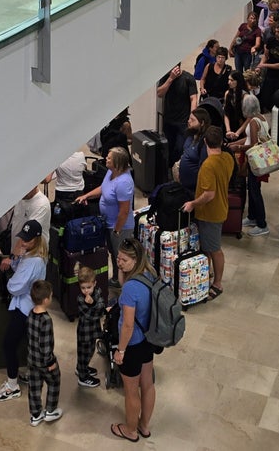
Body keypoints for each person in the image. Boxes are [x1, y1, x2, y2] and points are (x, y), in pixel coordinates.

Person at [0, 220, 49, 402]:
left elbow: (15, 287)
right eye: (22, 238)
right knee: (26, 343)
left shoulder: (34, 262)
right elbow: (20, 268)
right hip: (25, 307)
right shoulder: (32, 255)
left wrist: (10, 280)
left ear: (37, 239)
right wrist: (15, 259)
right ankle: (28, 374)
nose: (23, 242)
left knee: (9, 344)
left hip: (24, 310)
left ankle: (12, 385)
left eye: (27, 239)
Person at [181, 125, 235, 299]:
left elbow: (209, 194)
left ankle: (217, 283)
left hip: (210, 214)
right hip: (221, 208)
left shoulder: (208, 166)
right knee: (208, 248)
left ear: (205, 142)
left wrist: (193, 203)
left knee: (214, 249)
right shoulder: (227, 158)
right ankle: (207, 275)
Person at [110, 237, 156, 442]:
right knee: (147, 384)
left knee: (131, 391)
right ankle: (144, 426)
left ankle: (130, 430)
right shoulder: (149, 274)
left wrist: (120, 350)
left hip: (132, 344)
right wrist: (123, 270)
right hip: (148, 339)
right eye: (118, 258)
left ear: (135, 260)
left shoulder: (130, 290)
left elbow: (127, 325)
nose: (119, 263)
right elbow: (126, 283)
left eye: (123, 260)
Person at [75, 146, 135, 276]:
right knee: (113, 253)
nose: (105, 159)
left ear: (117, 163)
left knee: (121, 257)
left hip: (120, 227)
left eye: (109, 158)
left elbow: (124, 212)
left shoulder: (124, 183)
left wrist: (117, 231)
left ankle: (122, 282)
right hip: (108, 223)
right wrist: (87, 196)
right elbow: (103, 188)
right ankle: (115, 278)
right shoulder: (111, 172)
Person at [226, 93, 271, 237]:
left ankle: (262, 223)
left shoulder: (252, 122)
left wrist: (237, 148)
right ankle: (252, 216)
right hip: (259, 159)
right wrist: (234, 143)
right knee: (252, 189)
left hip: (254, 161)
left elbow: (252, 144)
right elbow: (249, 137)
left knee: (254, 190)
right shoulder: (261, 118)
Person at [23, 280, 62, 427]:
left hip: (32, 359)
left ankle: (36, 414)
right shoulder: (46, 320)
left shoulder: (30, 314)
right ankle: (50, 410)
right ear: (46, 300)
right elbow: (45, 345)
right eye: (51, 296)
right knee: (54, 381)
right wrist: (50, 362)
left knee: (34, 386)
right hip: (44, 362)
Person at [156, 63, 197, 168]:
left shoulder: (188, 78)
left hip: (183, 121)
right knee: (168, 147)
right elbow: (159, 93)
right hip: (169, 120)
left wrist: (192, 117)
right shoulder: (166, 77)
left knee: (180, 148)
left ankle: (178, 170)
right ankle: (169, 171)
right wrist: (170, 79)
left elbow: (194, 99)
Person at [73, 266, 105, 388]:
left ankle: (82, 367)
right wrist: (95, 306)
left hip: (93, 330)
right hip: (84, 332)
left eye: (89, 287)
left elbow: (101, 304)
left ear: (94, 283)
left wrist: (95, 305)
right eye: (83, 288)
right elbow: (93, 315)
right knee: (84, 353)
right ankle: (83, 376)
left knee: (90, 351)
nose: (86, 291)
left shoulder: (97, 291)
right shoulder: (80, 299)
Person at [174, 107, 211, 192]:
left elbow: (203, 167)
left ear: (202, 123)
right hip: (184, 185)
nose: (188, 121)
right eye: (189, 118)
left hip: (195, 189)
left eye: (192, 120)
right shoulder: (189, 136)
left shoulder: (204, 142)